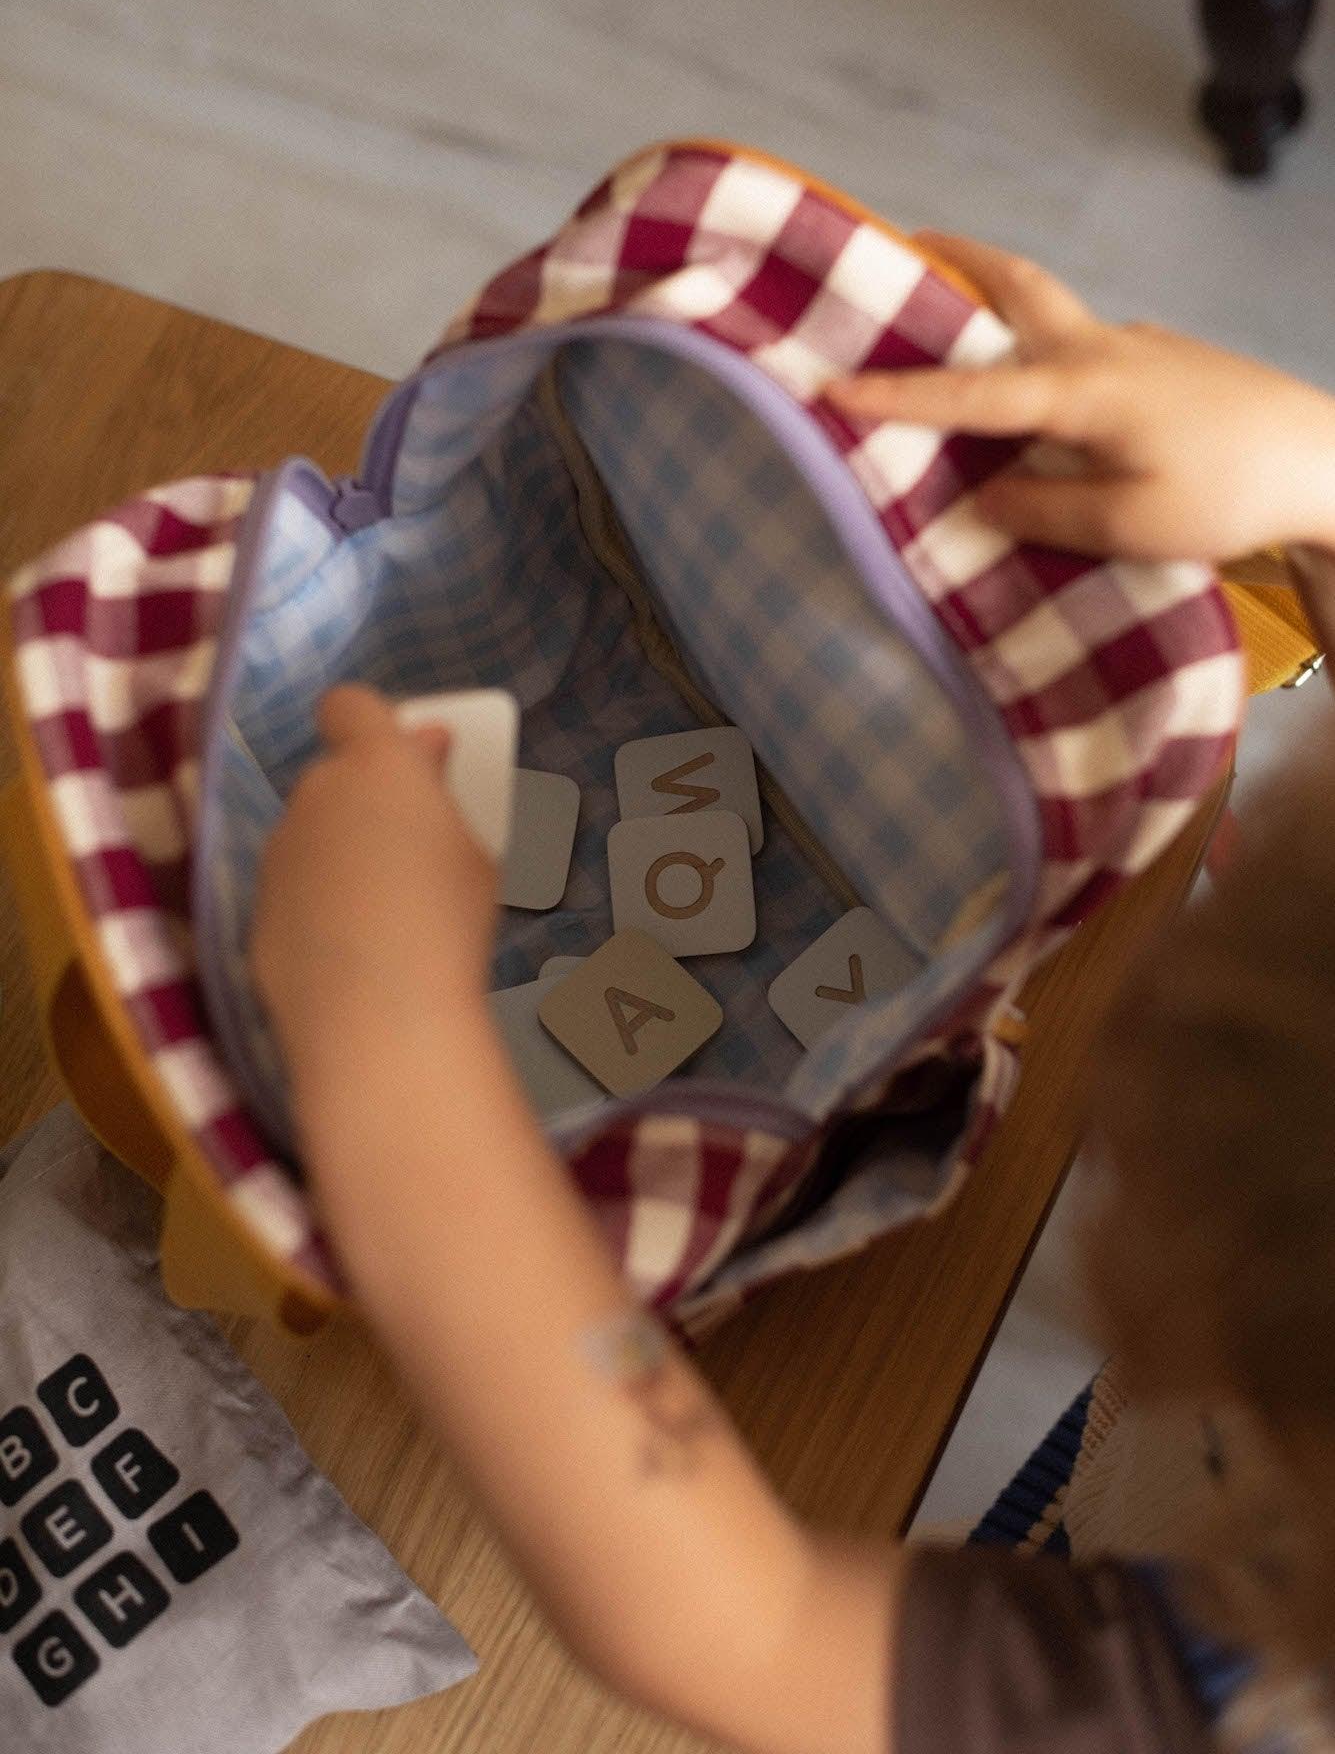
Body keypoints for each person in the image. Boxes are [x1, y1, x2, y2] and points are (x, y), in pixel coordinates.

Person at [250, 235, 1335, 1753]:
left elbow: (730, 1621)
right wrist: (1312, 476)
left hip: (1185, 1543)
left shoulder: (1210, 1696)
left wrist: (397, 1050)